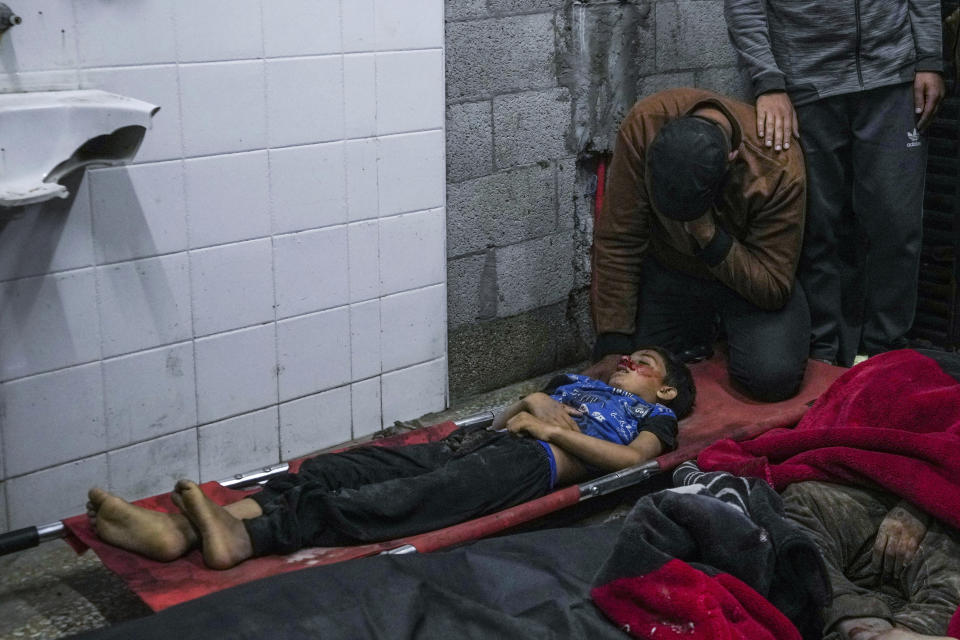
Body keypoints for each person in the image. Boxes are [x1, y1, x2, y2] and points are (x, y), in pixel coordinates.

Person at [87, 347, 695, 570]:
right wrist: (534, 397)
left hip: (526, 465)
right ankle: (184, 528)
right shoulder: (571, 385)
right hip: (482, 442)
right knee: (340, 469)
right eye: (625, 358)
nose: (627, 363)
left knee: (395, 503)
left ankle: (252, 537)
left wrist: (550, 430)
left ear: (664, 390)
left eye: (644, 364)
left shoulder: (651, 417)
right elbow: (514, 411)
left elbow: (629, 462)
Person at [724, 0, 945, 367]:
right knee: (816, 228)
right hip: (806, 84)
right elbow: (744, 5)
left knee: (898, 225)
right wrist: (768, 81)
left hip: (892, 76)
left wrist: (929, 59)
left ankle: (883, 354)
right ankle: (824, 355)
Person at [587, 87, 809, 402]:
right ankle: (702, 325)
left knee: (772, 378)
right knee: (637, 374)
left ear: (731, 159)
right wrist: (613, 343)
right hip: (672, 272)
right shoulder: (645, 125)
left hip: (747, 285)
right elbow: (619, 238)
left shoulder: (778, 165)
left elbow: (773, 285)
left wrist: (706, 233)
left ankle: (719, 325)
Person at [783, 481, 960, 640]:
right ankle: (857, 619)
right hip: (873, 491)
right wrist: (921, 496)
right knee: (794, 518)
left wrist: (926, 502)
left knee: (950, 595)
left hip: (941, 522)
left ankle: (887, 630)